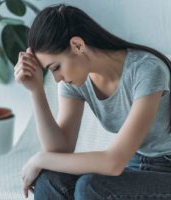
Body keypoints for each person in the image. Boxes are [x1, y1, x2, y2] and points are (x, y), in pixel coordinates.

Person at [14, 4, 171, 200]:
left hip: (166, 171)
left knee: (91, 188)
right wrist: (36, 90)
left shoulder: (146, 70)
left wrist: (39, 159)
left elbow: (113, 163)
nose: (57, 79)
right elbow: (59, 151)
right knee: (50, 179)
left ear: (78, 45)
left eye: (56, 67)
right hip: (135, 166)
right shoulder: (76, 82)